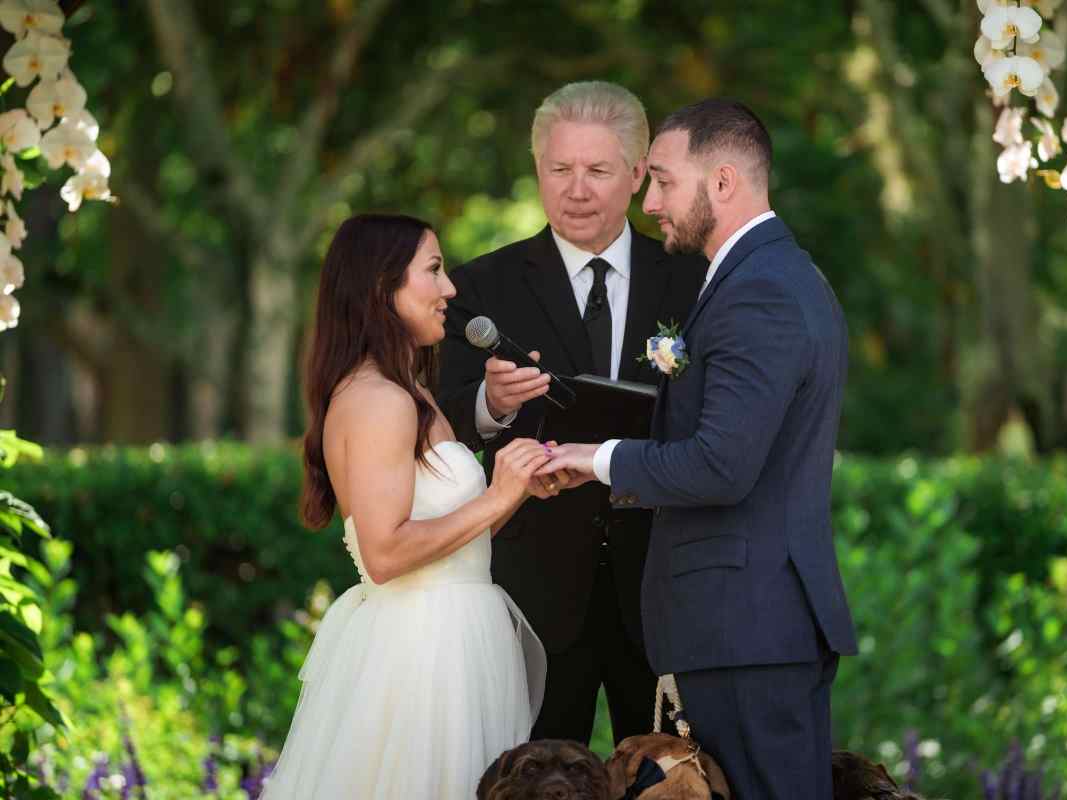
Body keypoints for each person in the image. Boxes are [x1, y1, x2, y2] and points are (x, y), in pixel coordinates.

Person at [539, 100, 859, 799]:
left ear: (721, 181)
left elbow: (721, 465)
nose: (649, 202)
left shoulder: (761, 291)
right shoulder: (763, 277)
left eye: (662, 180)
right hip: (744, 630)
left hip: (746, 632)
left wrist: (596, 459)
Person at [436, 81, 704, 745]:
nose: (576, 190)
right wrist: (491, 404)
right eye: (559, 169)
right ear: (537, 169)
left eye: (597, 171)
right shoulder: (480, 286)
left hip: (664, 585)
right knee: (538, 779)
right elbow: (437, 423)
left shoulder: (695, 279)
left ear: (638, 174)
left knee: (670, 776)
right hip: (534, 591)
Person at [261, 213, 549, 800]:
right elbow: (386, 553)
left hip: (459, 640)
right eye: (434, 270)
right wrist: (495, 495)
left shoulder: (411, 392)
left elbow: (453, 543)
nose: (450, 289)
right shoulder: (378, 400)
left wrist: (516, 490)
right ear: (381, 287)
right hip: (421, 654)